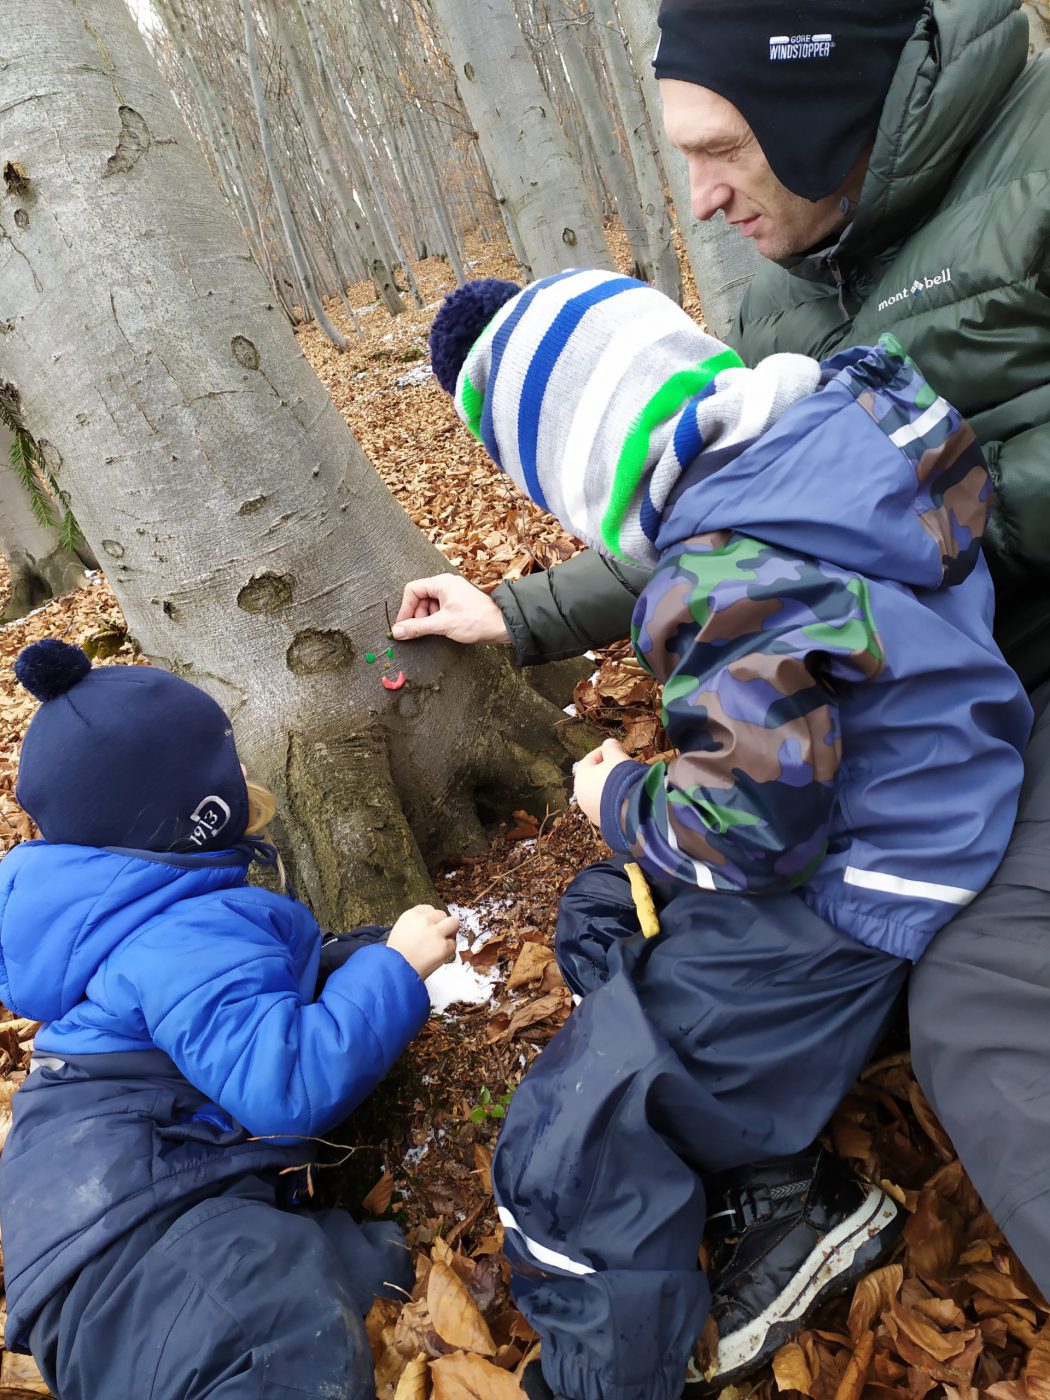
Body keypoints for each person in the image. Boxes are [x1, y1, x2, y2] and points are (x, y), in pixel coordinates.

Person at [394, 0, 1050, 1347]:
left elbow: (752, 795)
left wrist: (623, 797)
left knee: (973, 1020)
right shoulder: (793, 320)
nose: (698, 195)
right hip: (930, 720)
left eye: (720, 148)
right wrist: (514, 612)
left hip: (907, 808)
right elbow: (728, 510)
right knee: (612, 918)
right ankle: (772, 1183)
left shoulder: (1029, 176)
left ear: (816, 102)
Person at [0, 639, 459, 1400]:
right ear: (201, 811)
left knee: (354, 1276)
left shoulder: (137, 913)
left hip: (102, 1212)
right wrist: (395, 968)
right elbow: (286, 1086)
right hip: (127, 1239)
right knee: (280, 1343)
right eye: (226, 758)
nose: (243, 767)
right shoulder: (185, 938)